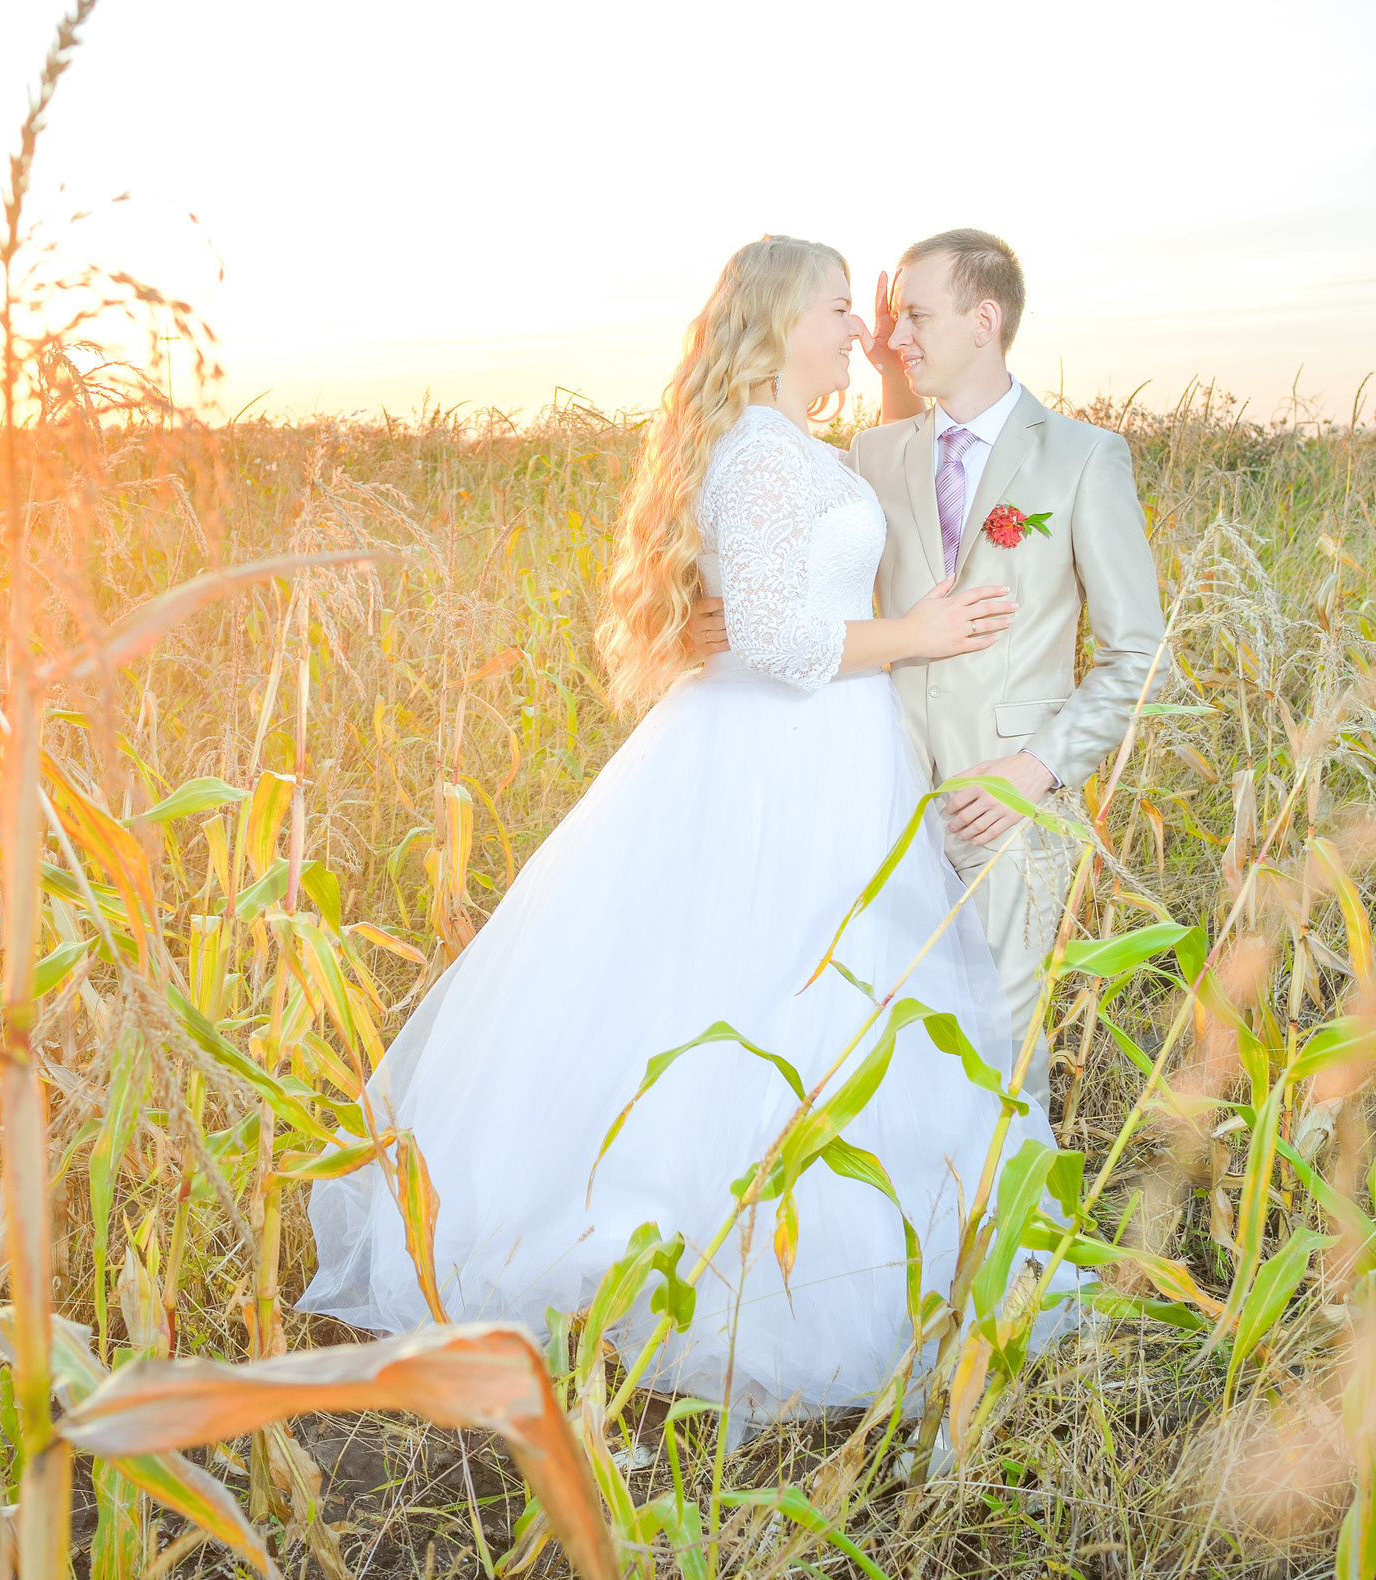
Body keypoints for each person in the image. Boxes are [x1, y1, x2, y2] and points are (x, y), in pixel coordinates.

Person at [300, 236, 1067, 1422]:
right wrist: (915, 635)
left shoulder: (788, 448)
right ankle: (736, 1255)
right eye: (833, 310)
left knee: (800, 990)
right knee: (759, 984)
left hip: (822, 755)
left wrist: (898, 362)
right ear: (772, 327)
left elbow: (778, 595)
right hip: (777, 757)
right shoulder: (762, 460)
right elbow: (771, 638)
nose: (855, 334)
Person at [694, 229, 1165, 1114]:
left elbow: (1139, 654)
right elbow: (791, 577)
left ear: (984, 320)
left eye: (914, 315)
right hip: (874, 803)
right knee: (876, 1054)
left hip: (1010, 808)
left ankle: (1005, 1244)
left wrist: (1037, 770)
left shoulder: (1082, 458)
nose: (891, 333)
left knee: (998, 1057)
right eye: (883, 317)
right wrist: (709, 615)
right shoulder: (865, 458)